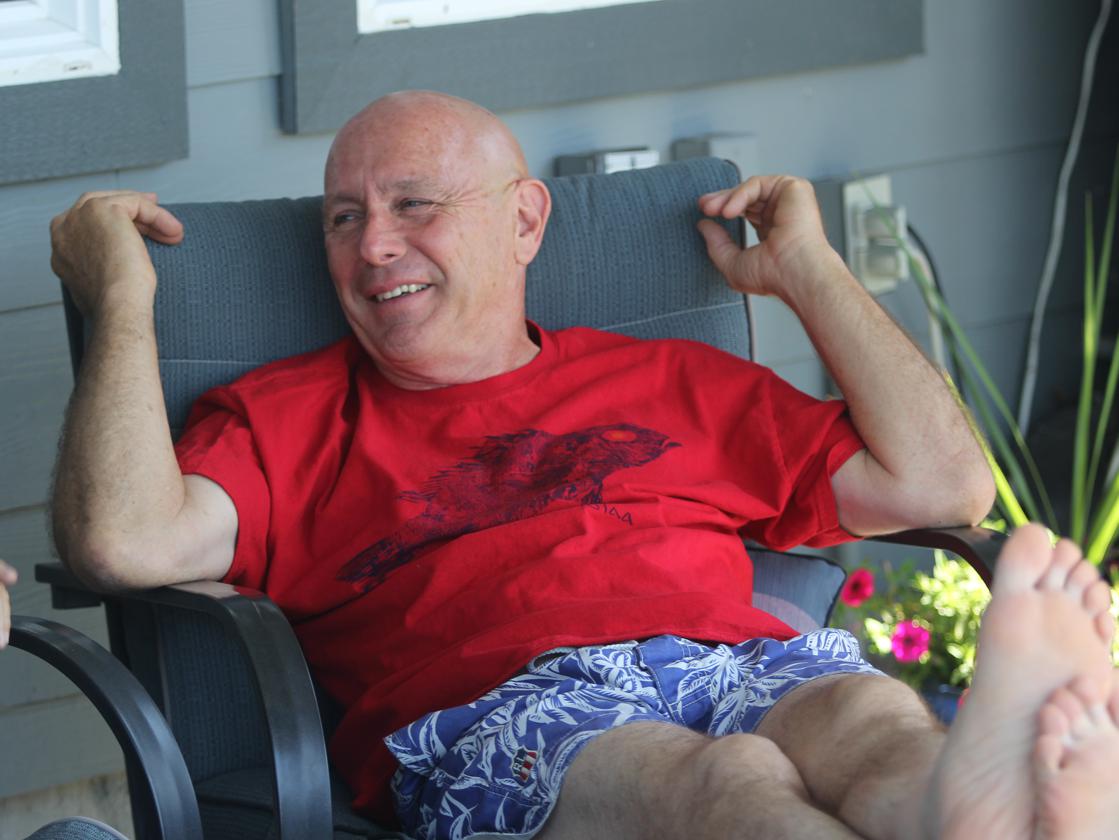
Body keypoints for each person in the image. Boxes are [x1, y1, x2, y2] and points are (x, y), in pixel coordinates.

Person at [44, 90, 1119, 839]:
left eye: (414, 205)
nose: (372, 246)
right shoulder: (288, 419)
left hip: (741, 661)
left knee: (872, 725)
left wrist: (808, 268)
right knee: (725, 784)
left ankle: (973, 814)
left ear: (523, 220)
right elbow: (123, 542)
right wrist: (124, 302)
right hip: (498, 712)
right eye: (343, 218)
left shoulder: (673, 381)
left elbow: (945, 488)